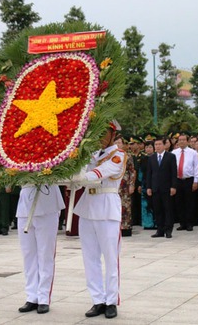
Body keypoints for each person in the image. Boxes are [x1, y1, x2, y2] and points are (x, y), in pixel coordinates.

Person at [73, 121, 126, 319]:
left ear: (113, 135)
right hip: (88, 206)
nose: (101, 137)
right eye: (98, 133)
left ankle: (111, 301)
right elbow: (78, 174)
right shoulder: (91, 154)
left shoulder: (118, 155)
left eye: (105, 133)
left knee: (111, 258)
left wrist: (79, 177)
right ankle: (97, 300)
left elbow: (100, 173)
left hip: (107, 206)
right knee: (90, 258)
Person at [16, 183, 65, 315]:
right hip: (25, 204)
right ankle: (31, 296)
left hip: (47, 203)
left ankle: (43, 297)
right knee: (28, 255)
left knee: (45, 254)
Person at [147, 138, 177, 239]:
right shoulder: (151, 158)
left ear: (164, 145)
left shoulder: (171, 157)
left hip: (167, 188)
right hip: (155, 188)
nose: (157, 146)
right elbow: (149, 174)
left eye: (159, 144)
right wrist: (148, 187)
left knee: (168, 209)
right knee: (157, 210)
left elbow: (174, 173)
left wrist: (173, 186)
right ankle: (160, 230)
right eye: (156, 144)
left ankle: (168, 230)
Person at [172, 134, 198, 232]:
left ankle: (189, 223)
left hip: (189, 179)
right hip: (177, 180)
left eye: (183, 140)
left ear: (187, 141)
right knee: (178, 202)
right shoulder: (174, 153)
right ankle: (182, 223)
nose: (181, 142)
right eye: (180, 140)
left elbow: (196, 167)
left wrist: (196, 181)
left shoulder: (193, 153)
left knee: (189, 202)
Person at [114, 135, 135, 237]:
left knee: (125, 206)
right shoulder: (111, 156)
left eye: (119, 143)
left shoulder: (127, 156)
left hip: (125, 184)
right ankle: (115, 227)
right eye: (115, 143)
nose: (117, 145)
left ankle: (126, 227)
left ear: (123, 144)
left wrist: (131, 184)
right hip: (114, 184)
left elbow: (132, 171)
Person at [139, 141, 155, 230]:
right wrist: (140, 183)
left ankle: (156, 223)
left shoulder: (156, 158)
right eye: (147, 147)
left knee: (155, 204)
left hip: (154, 183)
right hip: (145, 184)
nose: (148, 149)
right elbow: (140, 172)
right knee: (145, 204)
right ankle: (147, 223)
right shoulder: (143, 159)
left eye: (150, 147)